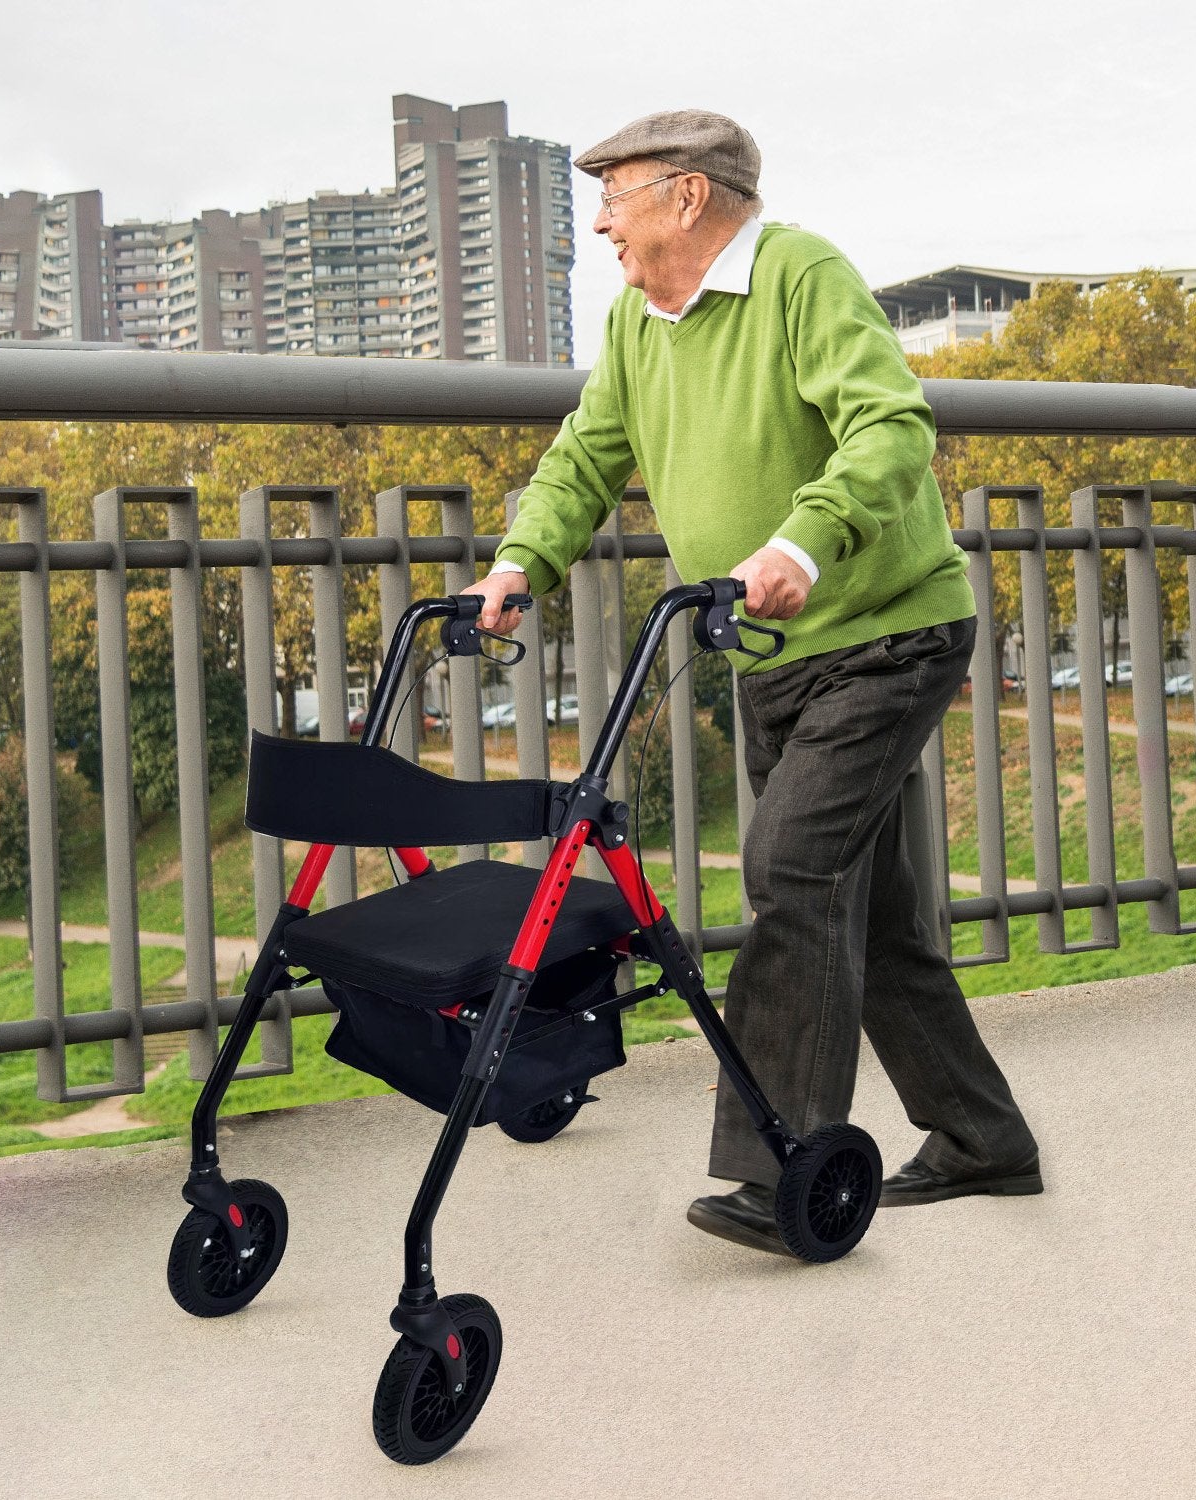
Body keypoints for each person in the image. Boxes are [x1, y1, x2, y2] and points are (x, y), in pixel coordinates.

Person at [463, 109, 1041, 1257]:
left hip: (885, 633)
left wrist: (803, 542)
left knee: (790, 871)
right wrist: (522, 558)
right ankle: (983, 1140)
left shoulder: (798, 275)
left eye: (616, 196)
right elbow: (586, 456)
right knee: (867, 915)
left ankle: (781, 1163)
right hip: (772, 660)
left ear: (687, 197)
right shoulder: (639, 322)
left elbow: (889, 428)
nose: (604, 224)